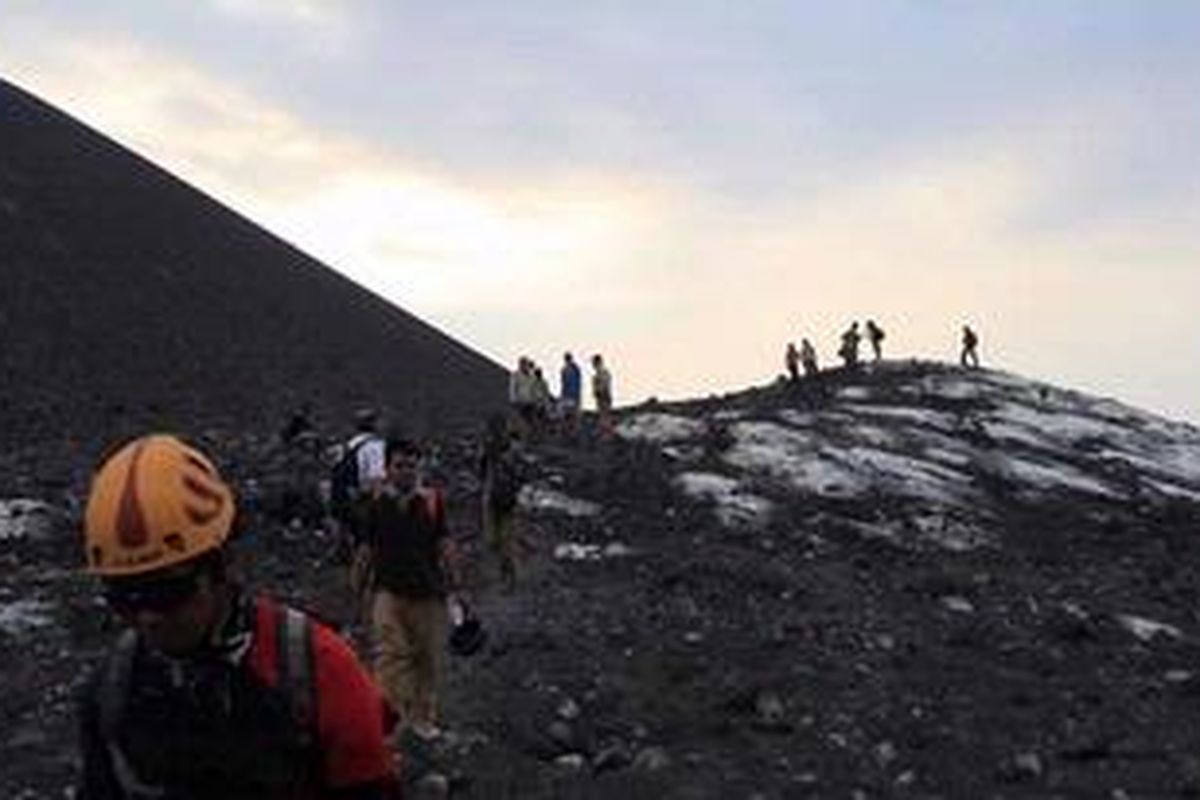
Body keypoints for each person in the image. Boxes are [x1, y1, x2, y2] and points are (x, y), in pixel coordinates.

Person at [77, 434, 399, 799]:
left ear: (224, 567)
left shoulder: (318, 669)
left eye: (166, 592)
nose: (147, 617)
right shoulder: (113, 691)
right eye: (124, 598)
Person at [364, 437, 459, 747]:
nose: (406, 471)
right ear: (388, 467)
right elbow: (367, 546)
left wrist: (455, 581)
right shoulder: (377, 503)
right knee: (390, 658)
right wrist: (359, 582)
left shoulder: (432, 501)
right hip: (388, 592)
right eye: (400, 465)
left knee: (426, 658)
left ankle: (422, 719)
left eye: (412, 465)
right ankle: (387, 722)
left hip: (427, 593)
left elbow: (444, 541)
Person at [478, 413, 527, 591]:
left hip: (506, 499)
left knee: (505, 541)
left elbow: (520, 474)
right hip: (494, 496)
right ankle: (507, 573)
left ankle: (509, 577)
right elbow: (482, 470)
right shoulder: (491, 449)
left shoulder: (510, 451)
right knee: (494, 541)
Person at [591, 353, 614, 435]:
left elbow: (604, 385)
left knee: (604, 414)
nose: (593, 365)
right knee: (603, 414)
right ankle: (605, 430)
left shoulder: (603, 373)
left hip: (604, 396)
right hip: (602, 396)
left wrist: (598, 390)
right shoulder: (601, 373)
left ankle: (607, 431)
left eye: (594, 363)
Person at [559, 352, 582, 433]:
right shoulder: (576, 368)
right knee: (572, 414)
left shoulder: (566, 370)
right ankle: (573, 430)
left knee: (568, 413)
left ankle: (569, 430)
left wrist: (562, 395)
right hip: (574, 394)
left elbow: (564, 383)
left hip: (569, 394)